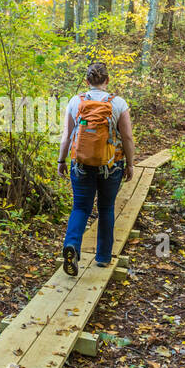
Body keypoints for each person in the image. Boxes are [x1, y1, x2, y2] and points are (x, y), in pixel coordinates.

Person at [57, 61, 136, 276]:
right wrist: (130, 163)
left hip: (80, 164)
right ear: (107, 80)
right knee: (106, 208)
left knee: (80, 207)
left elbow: (67, 136)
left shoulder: (76, 101)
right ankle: (102, 258)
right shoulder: (118, 103)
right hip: (111, 165)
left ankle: (72, 244)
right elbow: (127, 137)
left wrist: (61, 161)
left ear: (87, 81)